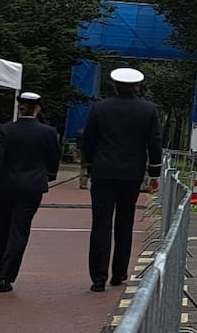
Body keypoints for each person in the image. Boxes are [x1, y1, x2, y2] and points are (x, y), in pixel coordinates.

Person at [82, 67, 163, 293]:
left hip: (103, 172)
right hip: (131, 174)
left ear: (114, 85)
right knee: (125, 223)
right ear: (138, 86)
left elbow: (89, 141)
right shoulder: (149, 110)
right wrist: (154, 174)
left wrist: (89, 169)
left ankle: (98, 277)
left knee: (100, 224)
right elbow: (154, 144)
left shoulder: (100, 108)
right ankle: (119, 273)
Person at [0, 91, 60, 292]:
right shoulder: (48, 132)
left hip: (6, 186)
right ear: (38, 108)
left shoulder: (6, 129)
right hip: (32, 186)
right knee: (20, 230)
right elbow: (53, 159)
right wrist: (49, 175)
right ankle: (6, 275)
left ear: (21, 107)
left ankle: (2, 263)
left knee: (4, 228)